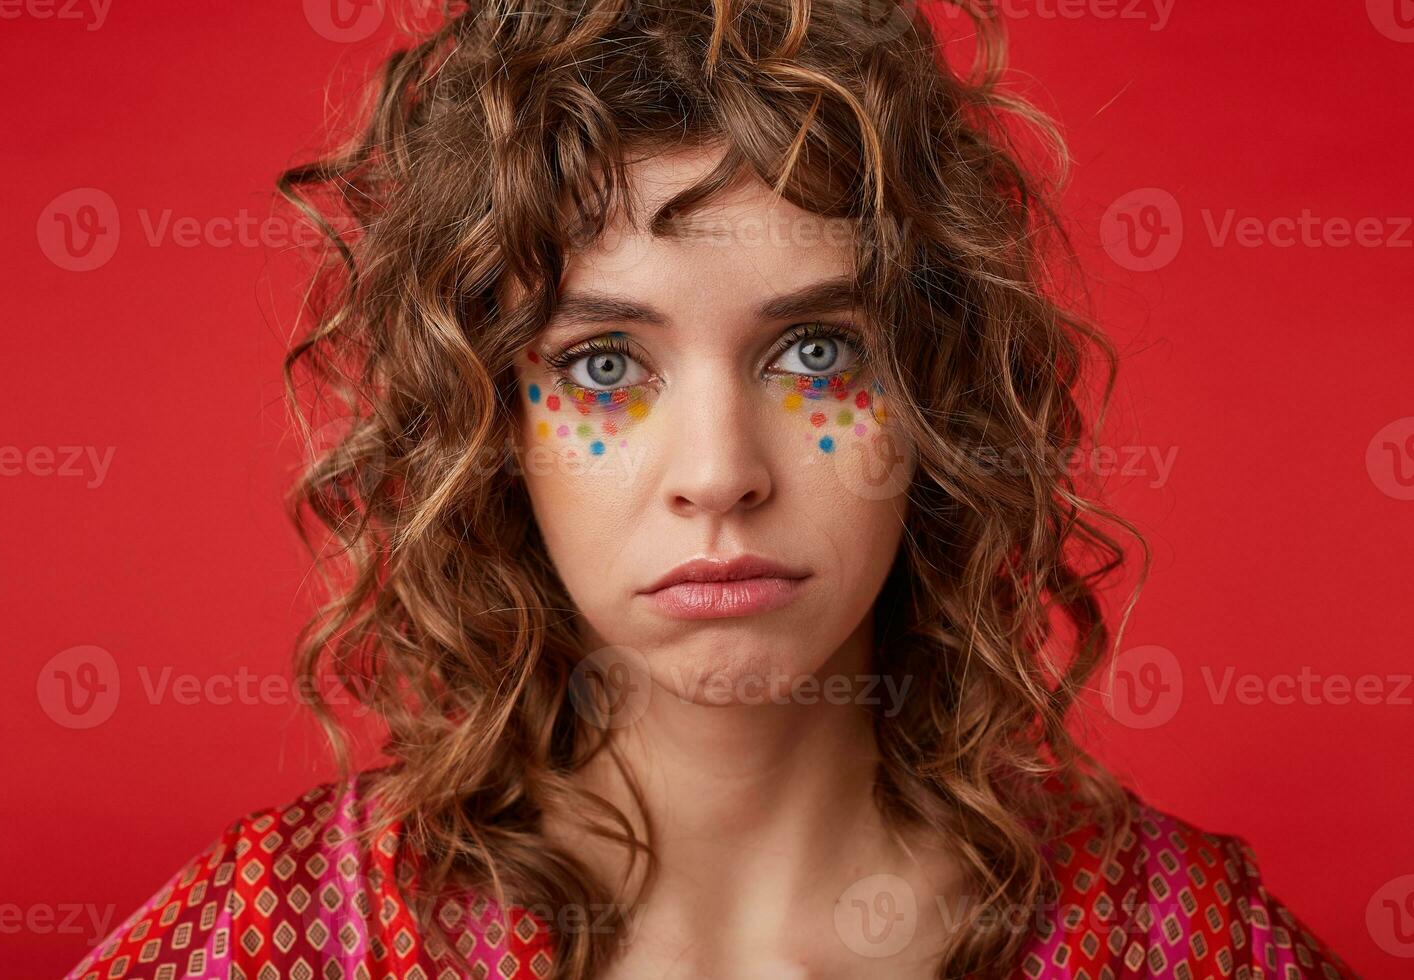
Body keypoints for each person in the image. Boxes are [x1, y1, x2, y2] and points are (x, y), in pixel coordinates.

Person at [66, 0, 1361, 977]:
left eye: (814, 351)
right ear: (487, 424)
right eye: (602, 362)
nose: (719, 476)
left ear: (933, 397)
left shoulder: (1180, 939)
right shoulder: (274, 935)